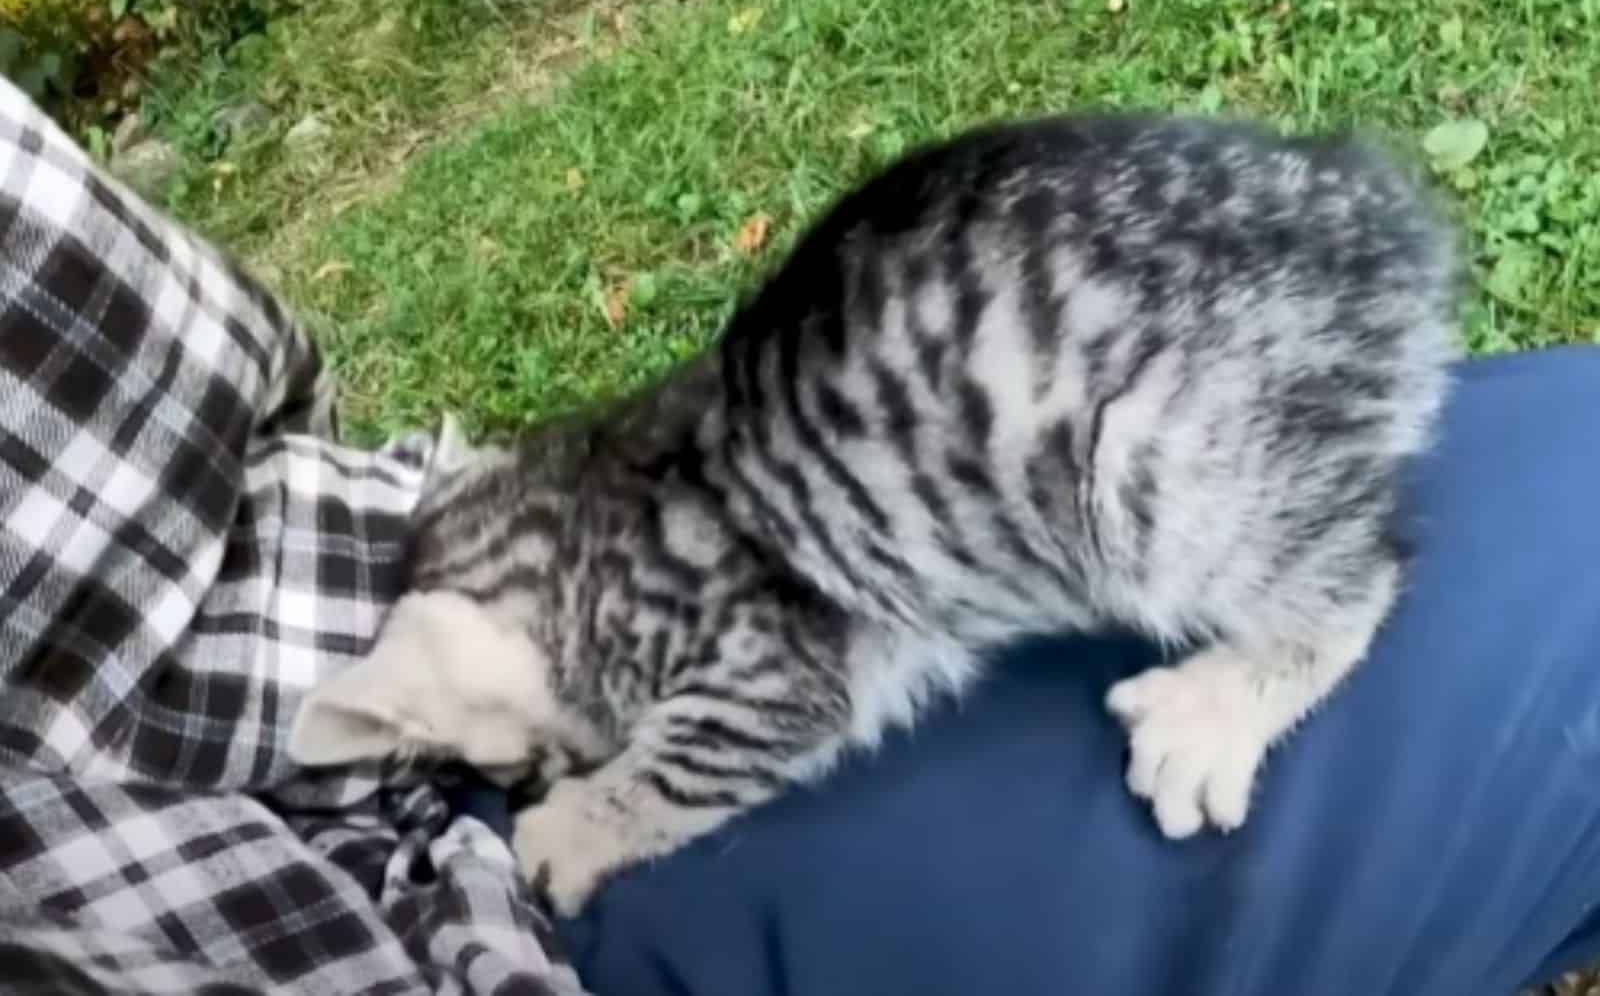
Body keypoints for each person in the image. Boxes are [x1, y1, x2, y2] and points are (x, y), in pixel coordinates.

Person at [4, 73, 1597, 996]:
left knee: (1247, 509)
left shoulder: (616, 603)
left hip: (1244, 413)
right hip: (1262, 303)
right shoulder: (624, 476)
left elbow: (790, 693)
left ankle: (1300, 646)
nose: (541, 757)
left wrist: (609, 811)